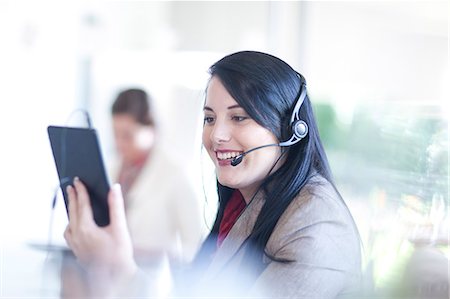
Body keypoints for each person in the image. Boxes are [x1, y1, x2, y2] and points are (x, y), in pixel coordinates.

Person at [64, 51, 362, 298]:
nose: (216, 135)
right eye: (209, 118)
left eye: (239, 117)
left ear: (290, 128)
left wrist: (120, 267)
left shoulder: (314, 221)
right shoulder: (241, 204)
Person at [109, 88, 203, 263]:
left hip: (154, 280)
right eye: (115, 134)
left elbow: (195, 245)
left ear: (150, 128)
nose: (119, 143)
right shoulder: (113, 167)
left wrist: (160, 258)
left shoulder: (175, 172)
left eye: (127, 136)